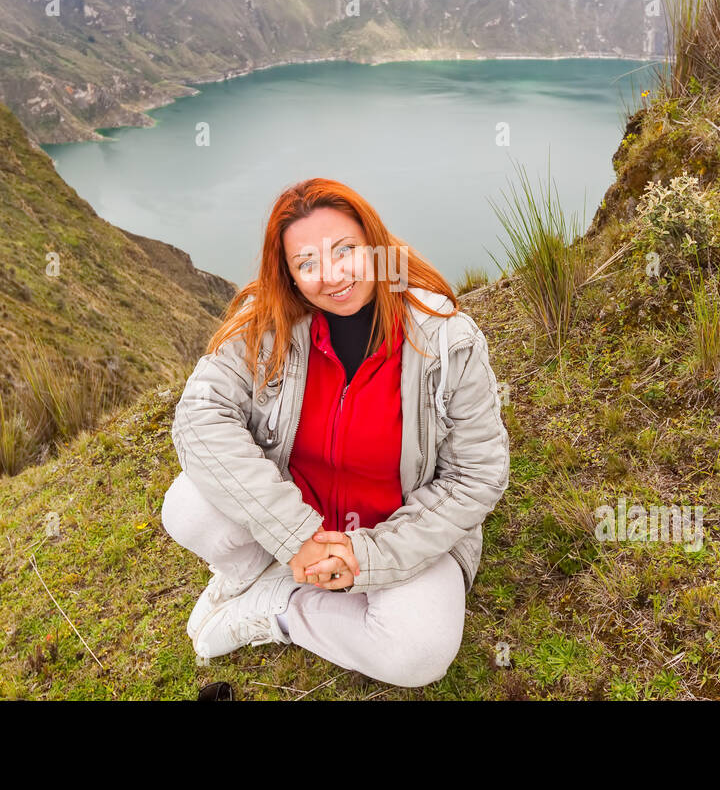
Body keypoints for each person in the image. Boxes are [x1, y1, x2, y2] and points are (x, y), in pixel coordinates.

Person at [161, 177, 509, 689]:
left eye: (345, 250)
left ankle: (279, 604)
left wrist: (366, 557)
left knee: (419, 652)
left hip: (399, 532)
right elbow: (199, 415)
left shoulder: (446, 339)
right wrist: (296, 535)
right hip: (295, 516)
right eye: (307, 263)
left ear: (376, 245)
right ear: (289, 275)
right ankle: (254, 572)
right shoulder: (267, 326)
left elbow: (476, 477)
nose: (333, 276)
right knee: (186, 507)